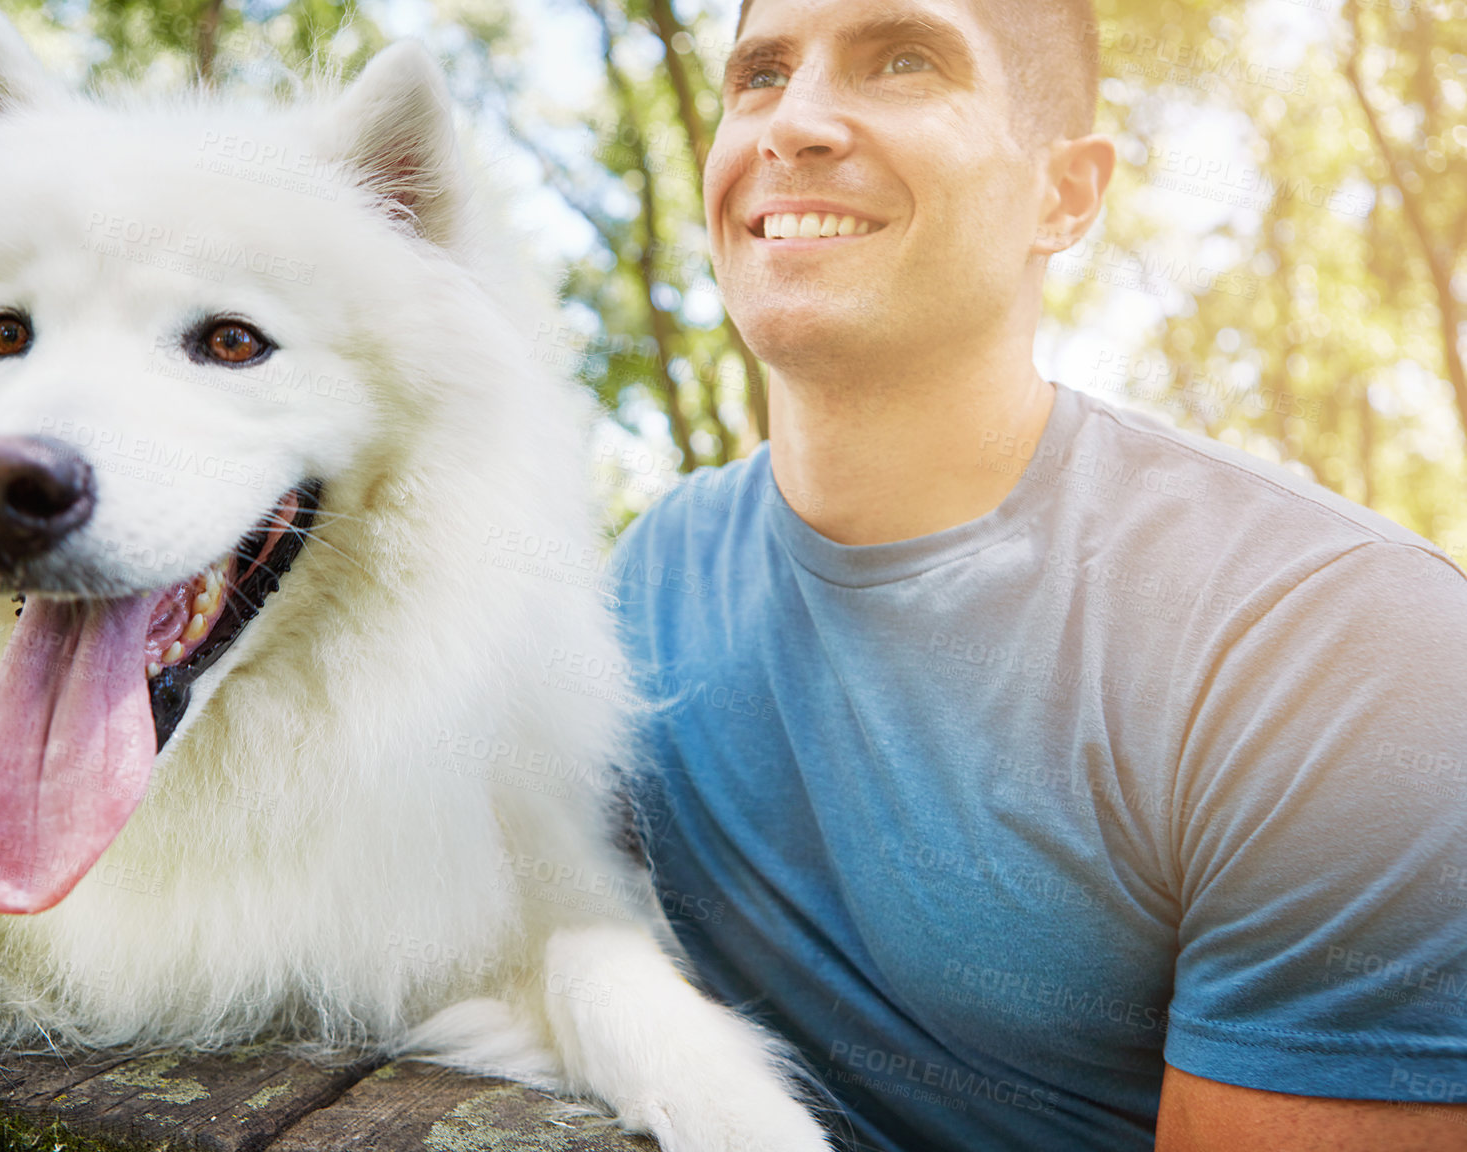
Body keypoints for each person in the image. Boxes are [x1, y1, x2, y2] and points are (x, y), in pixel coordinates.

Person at [608, 0, 1467, 1148]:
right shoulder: (648, 581)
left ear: (1065, 195)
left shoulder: (1339, 645)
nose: (795, 121)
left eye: (904, 60)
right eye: (759, 74)